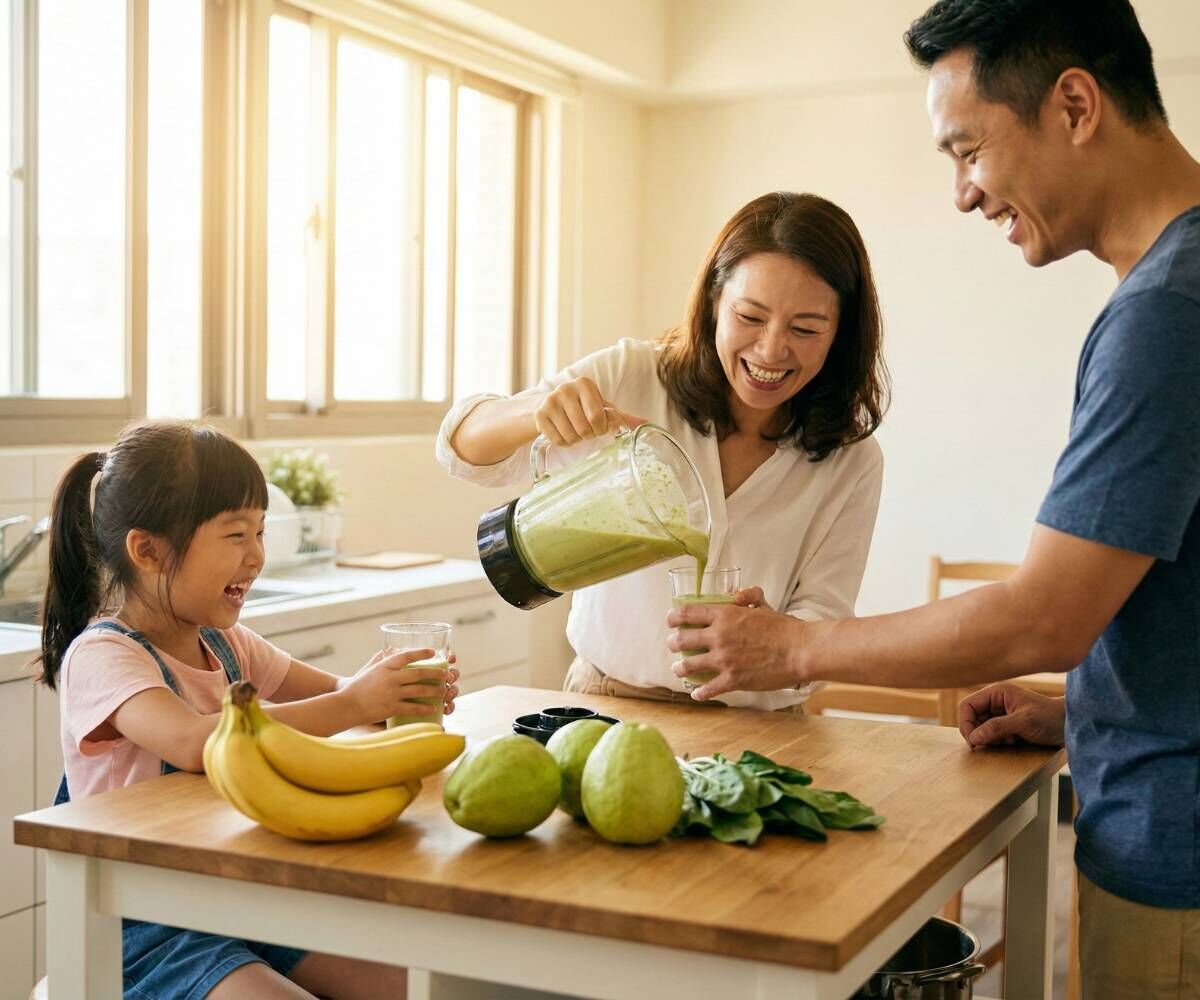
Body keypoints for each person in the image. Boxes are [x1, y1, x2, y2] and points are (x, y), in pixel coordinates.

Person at [666, 1, 1200, 993]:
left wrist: (791, 646)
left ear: (1074, 105)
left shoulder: (1168, 313)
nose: (962, 193)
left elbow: (1043, 614)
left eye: (968, 149)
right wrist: (1086, 709)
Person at [39, 419, 461, 1000]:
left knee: (422, 985)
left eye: (261, 532)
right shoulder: (103, 655)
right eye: (236, 535)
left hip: (244, 896)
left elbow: (341, 697)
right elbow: (193, 742)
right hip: (144, 925)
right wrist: (351, 701)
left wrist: (391, 695)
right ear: (149, 550)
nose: (258, 556)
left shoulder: (225, 643)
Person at [437, 191, 889, 712]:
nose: (770, 350)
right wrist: (535, 409)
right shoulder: (632, 377)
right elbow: (459, 449)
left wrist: (784, 640)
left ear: (841, 335)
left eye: (805, 329)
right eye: (749, 316)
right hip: (605, 702)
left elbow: (824, 617)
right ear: (715, 302)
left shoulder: (851, 459)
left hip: (758, 725)